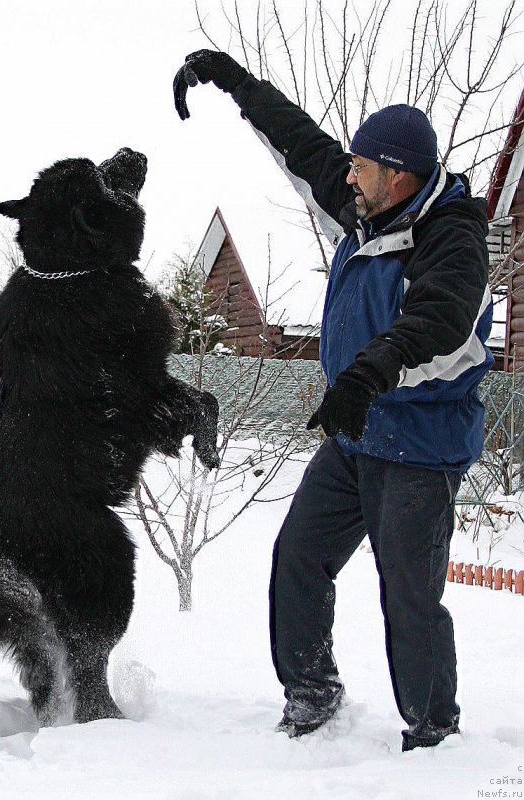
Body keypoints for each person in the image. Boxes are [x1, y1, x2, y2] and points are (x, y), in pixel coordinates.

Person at [173, 50, 493, 752]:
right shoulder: (362, 211)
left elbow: (438, 328)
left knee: (408, 595)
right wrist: (234, 80)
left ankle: (434, 733)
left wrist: (366, 377)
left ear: (397, 175)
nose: (347, 175)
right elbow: (299, 141)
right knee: (299, 556)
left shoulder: (452, 240)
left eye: (361, 166)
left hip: (420, 444)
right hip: (356, 430)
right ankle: (312, 692)